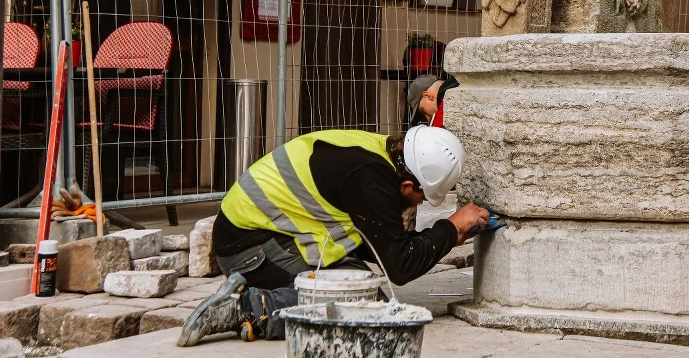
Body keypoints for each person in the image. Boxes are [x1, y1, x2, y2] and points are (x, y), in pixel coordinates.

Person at [177, 126, 489, 346]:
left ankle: (256, 293)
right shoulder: (370, 180)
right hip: (251, 248)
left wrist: (445, 237)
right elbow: (399, 266)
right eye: (423, 197)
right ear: (408, 186)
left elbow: (379, 244)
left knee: (358, 282)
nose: (419, 203)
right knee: (363, 303)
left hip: (263, 237)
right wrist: (449, 229)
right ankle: (248, 308)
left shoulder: (378, 155)